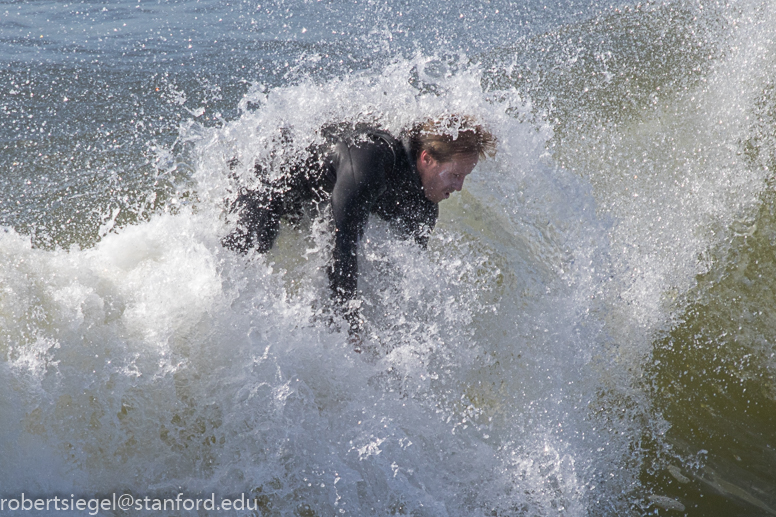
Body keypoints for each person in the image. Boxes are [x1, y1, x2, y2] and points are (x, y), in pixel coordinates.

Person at [222, 116, 496, 338]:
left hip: (308, 202)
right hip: (268, 176)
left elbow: (405, 278)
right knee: (250, 254)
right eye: (455, 175)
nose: (459, 187)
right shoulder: (370, 159)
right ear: (426, 159)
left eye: (464, 177)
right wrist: (349, 326)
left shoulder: (422, 206)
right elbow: (341, 239)